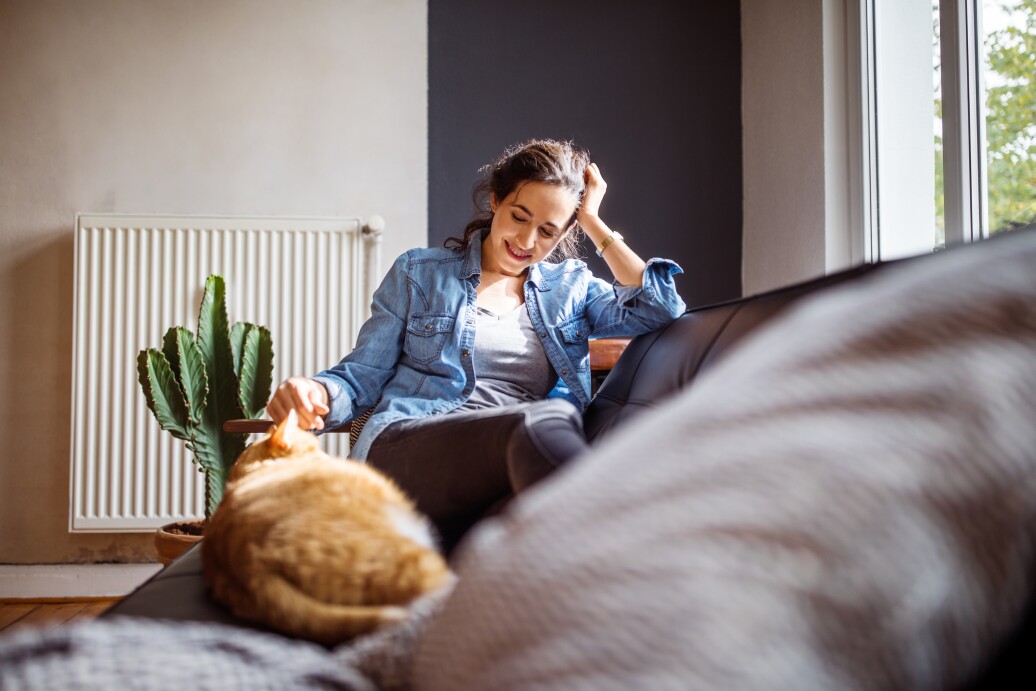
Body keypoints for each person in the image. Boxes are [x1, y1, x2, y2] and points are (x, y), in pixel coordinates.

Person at [266, 139, 686, 552]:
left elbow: (660, 307)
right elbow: (362, 377)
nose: (526, 240)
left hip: (510, 470)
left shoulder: (571, 289)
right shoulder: (420, 273)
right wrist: (316, 392)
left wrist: (593, 221)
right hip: (412, 444)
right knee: (540, 423)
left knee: (513, 522)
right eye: (519, 216)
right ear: (495, 201)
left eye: (547, 231)